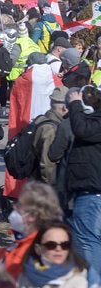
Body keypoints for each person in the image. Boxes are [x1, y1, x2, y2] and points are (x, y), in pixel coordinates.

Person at [63, 84, 101, 275]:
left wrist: (76, 105)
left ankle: (92, 281)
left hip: (93, 194)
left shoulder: (92, 124)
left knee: (88, 241)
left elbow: (82, 130)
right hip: (89, 191)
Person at [4, 181, 65, 279]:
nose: (14, 207)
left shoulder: (37, 250)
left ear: (32, 215)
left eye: (19, 205)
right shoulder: (26, 239)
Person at [17, 221, 91, 288]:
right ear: (38, 249)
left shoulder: (77, 279)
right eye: (51, 245)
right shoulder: (25, 275)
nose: (58, 249)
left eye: (64, 245)